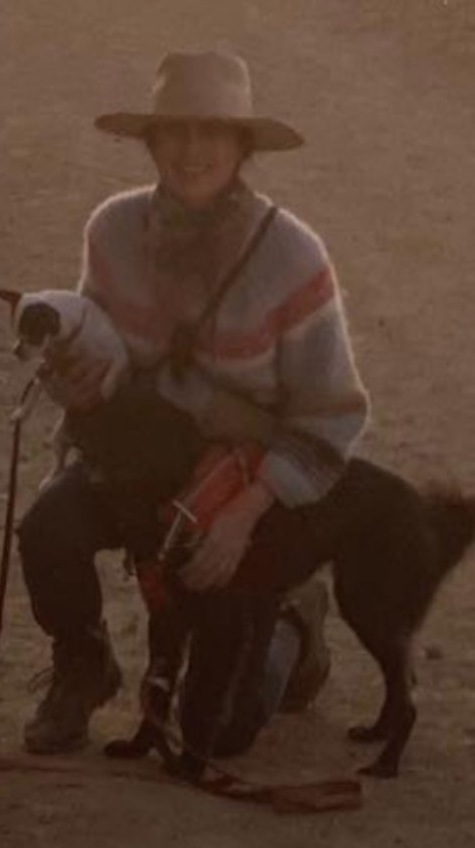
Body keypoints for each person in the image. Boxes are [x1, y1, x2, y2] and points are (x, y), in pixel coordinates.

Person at [18, 48, 369, 758]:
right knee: (46, 530)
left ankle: (294, 629)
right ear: (150, 142)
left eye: (213, 133)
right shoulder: (111, 229)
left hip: (250, 481)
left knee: (220, 732)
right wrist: (73, 381)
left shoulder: (295, 257)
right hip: (145, 458)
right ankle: (83, 666)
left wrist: (242, 518)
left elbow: (330, 418)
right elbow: (98, 346)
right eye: (174, 131)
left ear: (243, 147)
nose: (192, 150)